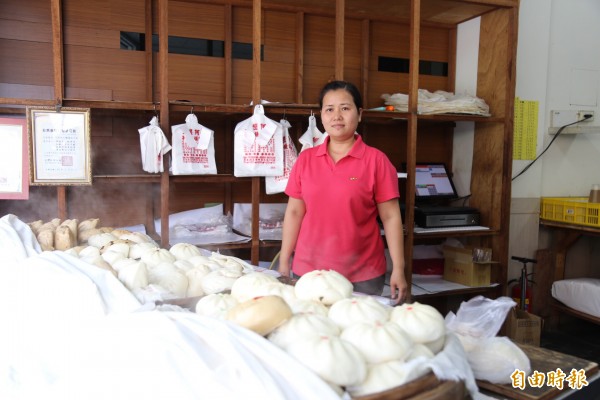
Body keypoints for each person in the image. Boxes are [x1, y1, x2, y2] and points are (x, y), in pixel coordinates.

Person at [279, 80, 408, 304]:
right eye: (329, 109)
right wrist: (284, 259)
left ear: (359, 114)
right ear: (321, 115)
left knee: (358, 333)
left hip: (362, 273)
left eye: (345, 108)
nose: (336, 116)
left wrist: (399, 268)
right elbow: (294, 213)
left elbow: (391, 216)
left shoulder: (377, 161)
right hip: (309, 271)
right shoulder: (306, 160)